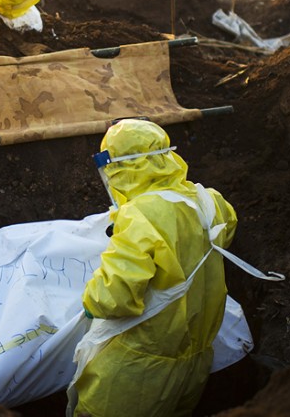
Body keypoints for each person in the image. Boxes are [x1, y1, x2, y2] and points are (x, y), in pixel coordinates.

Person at [69, 119, 238, 417]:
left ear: (119, 167)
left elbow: (115, 297)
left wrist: (88, 304)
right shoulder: (210, 202)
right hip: (193, 366)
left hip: (134, 372)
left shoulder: (140, 216)